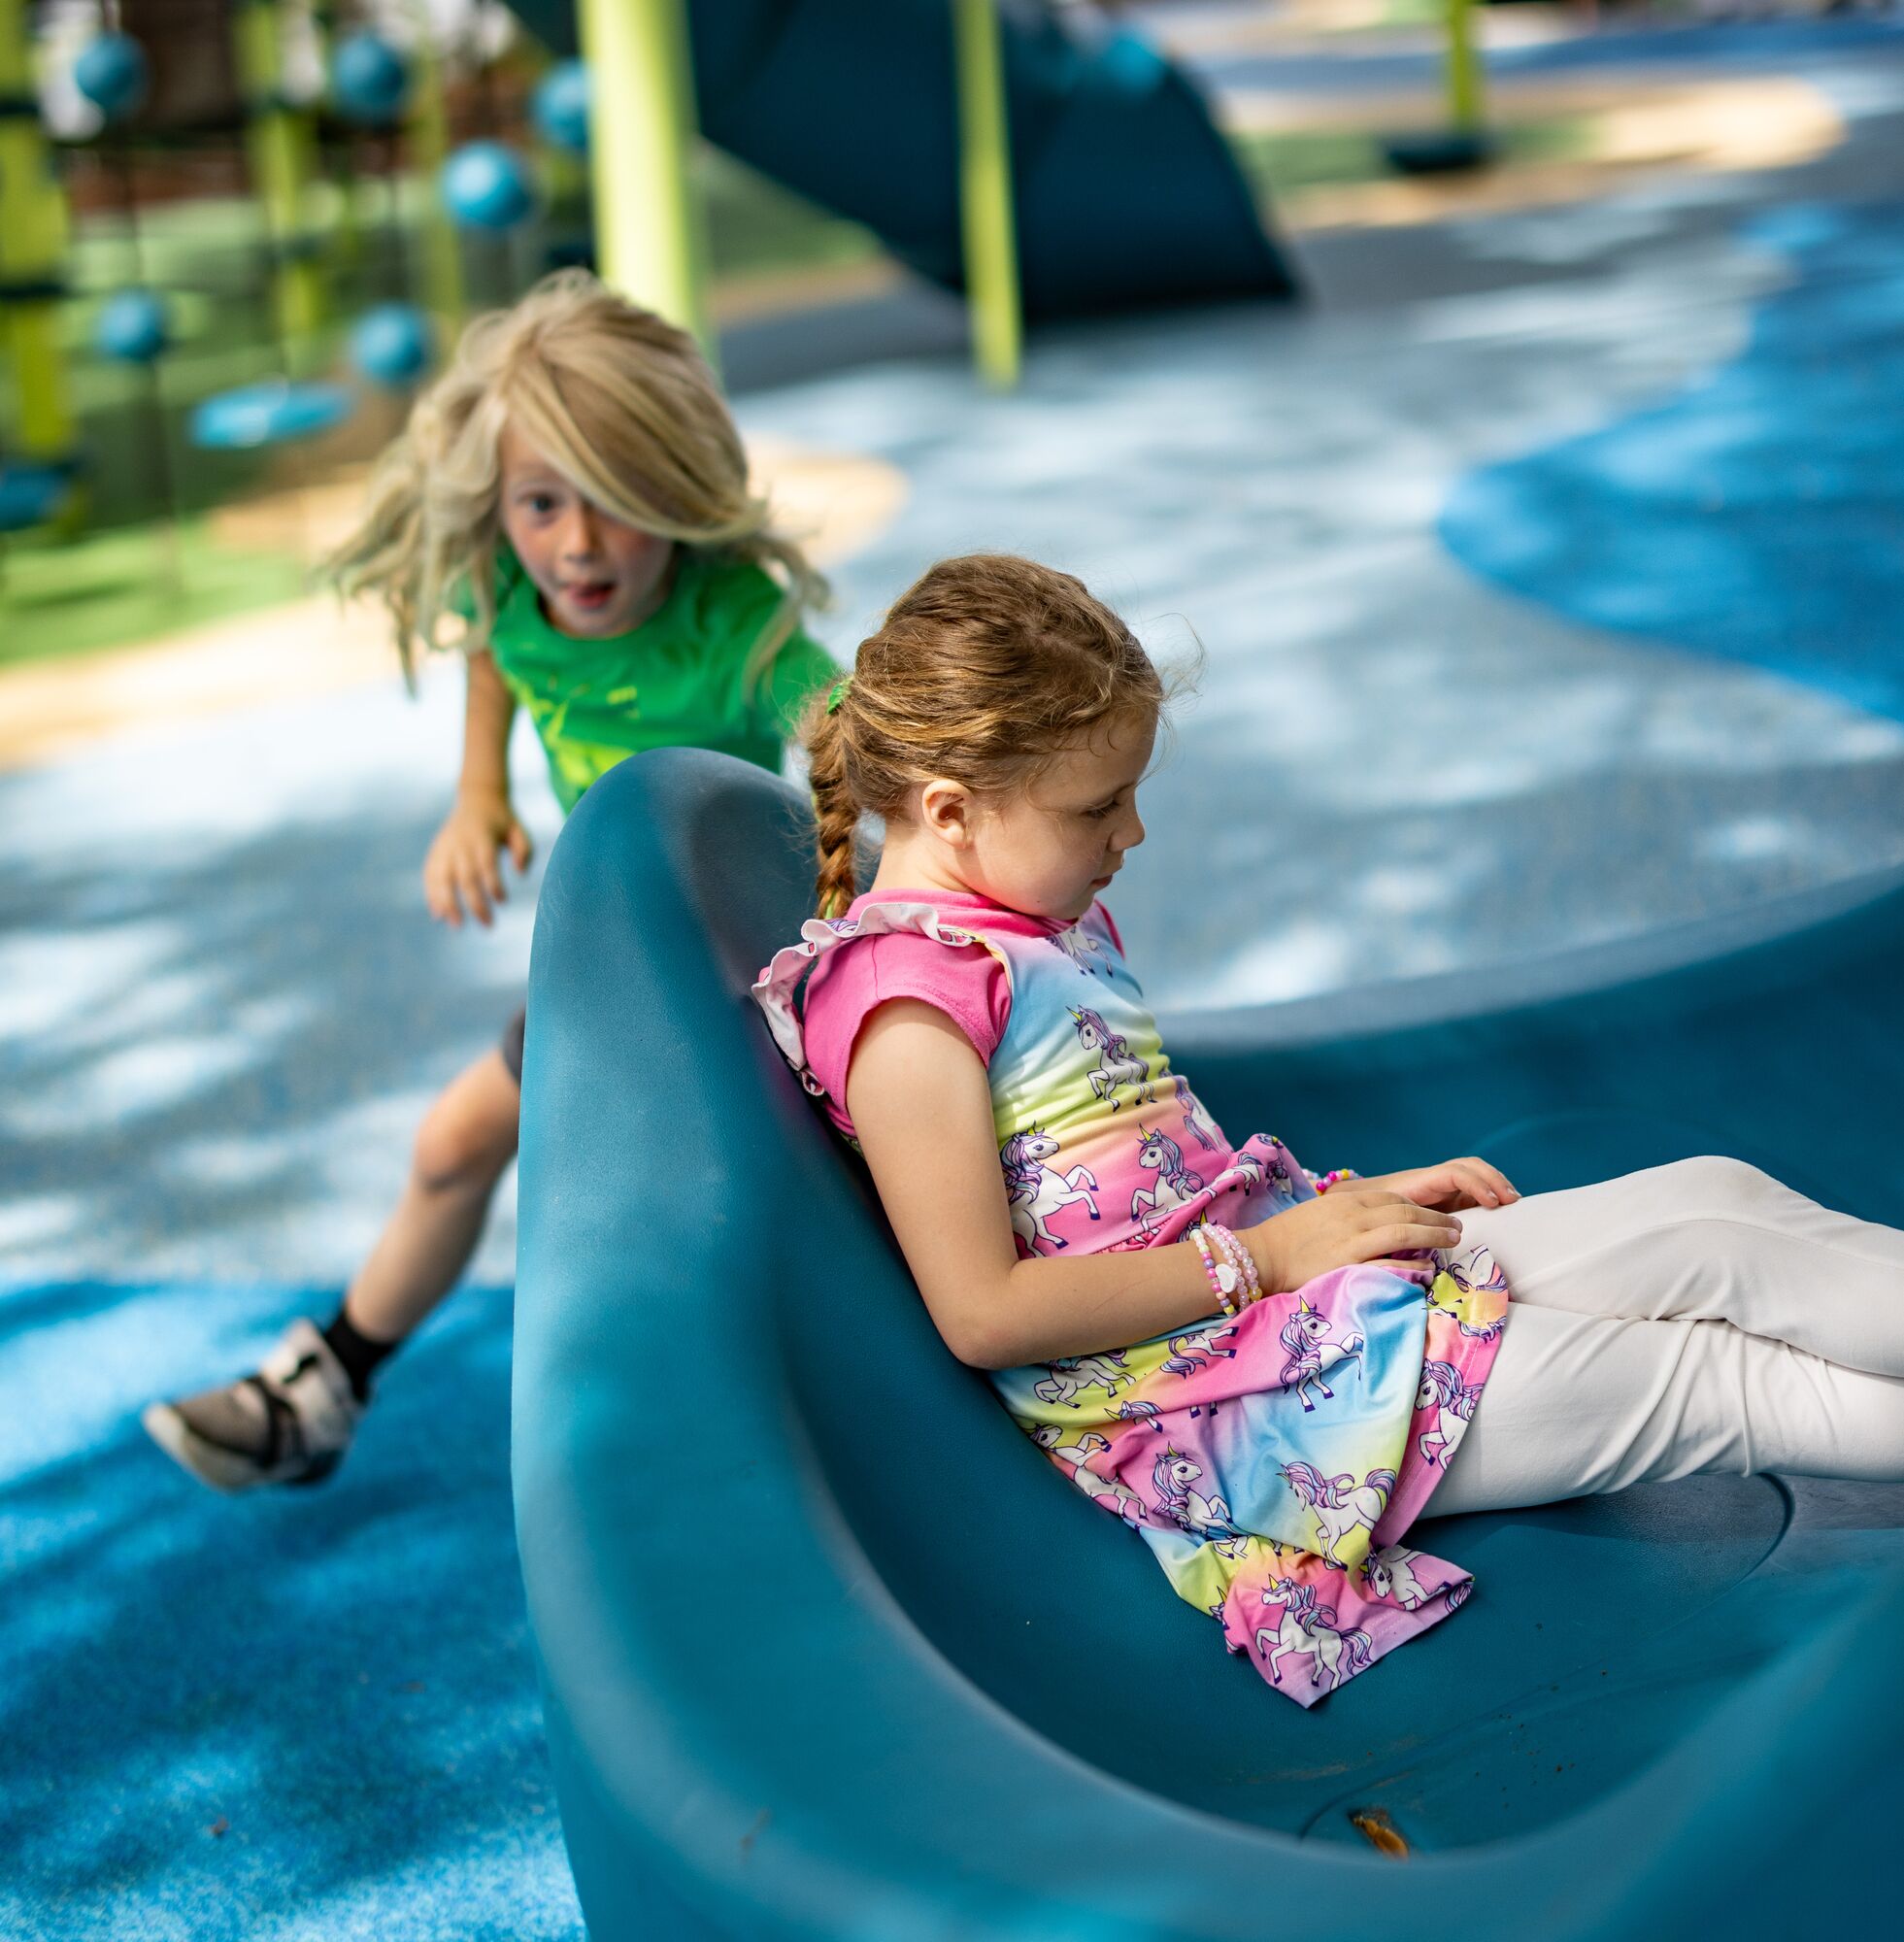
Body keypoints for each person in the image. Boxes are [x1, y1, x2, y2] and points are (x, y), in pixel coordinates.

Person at [752, 552, 1904, 1703]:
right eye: (1098, 806)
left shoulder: (1028, 922)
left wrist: (1333, 1213)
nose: (1132, 831)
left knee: (1712, 1209)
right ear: (950, 810)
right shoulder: (907, 1010)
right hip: (1228, 1410)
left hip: (1282, 1312)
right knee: (1715, 1381)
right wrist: (1269, 1255)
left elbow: (1138, 1183)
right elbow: (983, 1312)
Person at [145, 272, 837, 1491]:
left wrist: (879, 830)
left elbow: (834, 719)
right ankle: (322, 1389)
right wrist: (479, 796)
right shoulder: (516, 596)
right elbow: (495, 659)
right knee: (451, 1146)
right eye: (541, 503)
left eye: (615, 501)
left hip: (756, 982)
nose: (577, 544)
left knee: (782, 1204)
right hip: (617, 974)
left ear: (673, 487)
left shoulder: (732, 616)